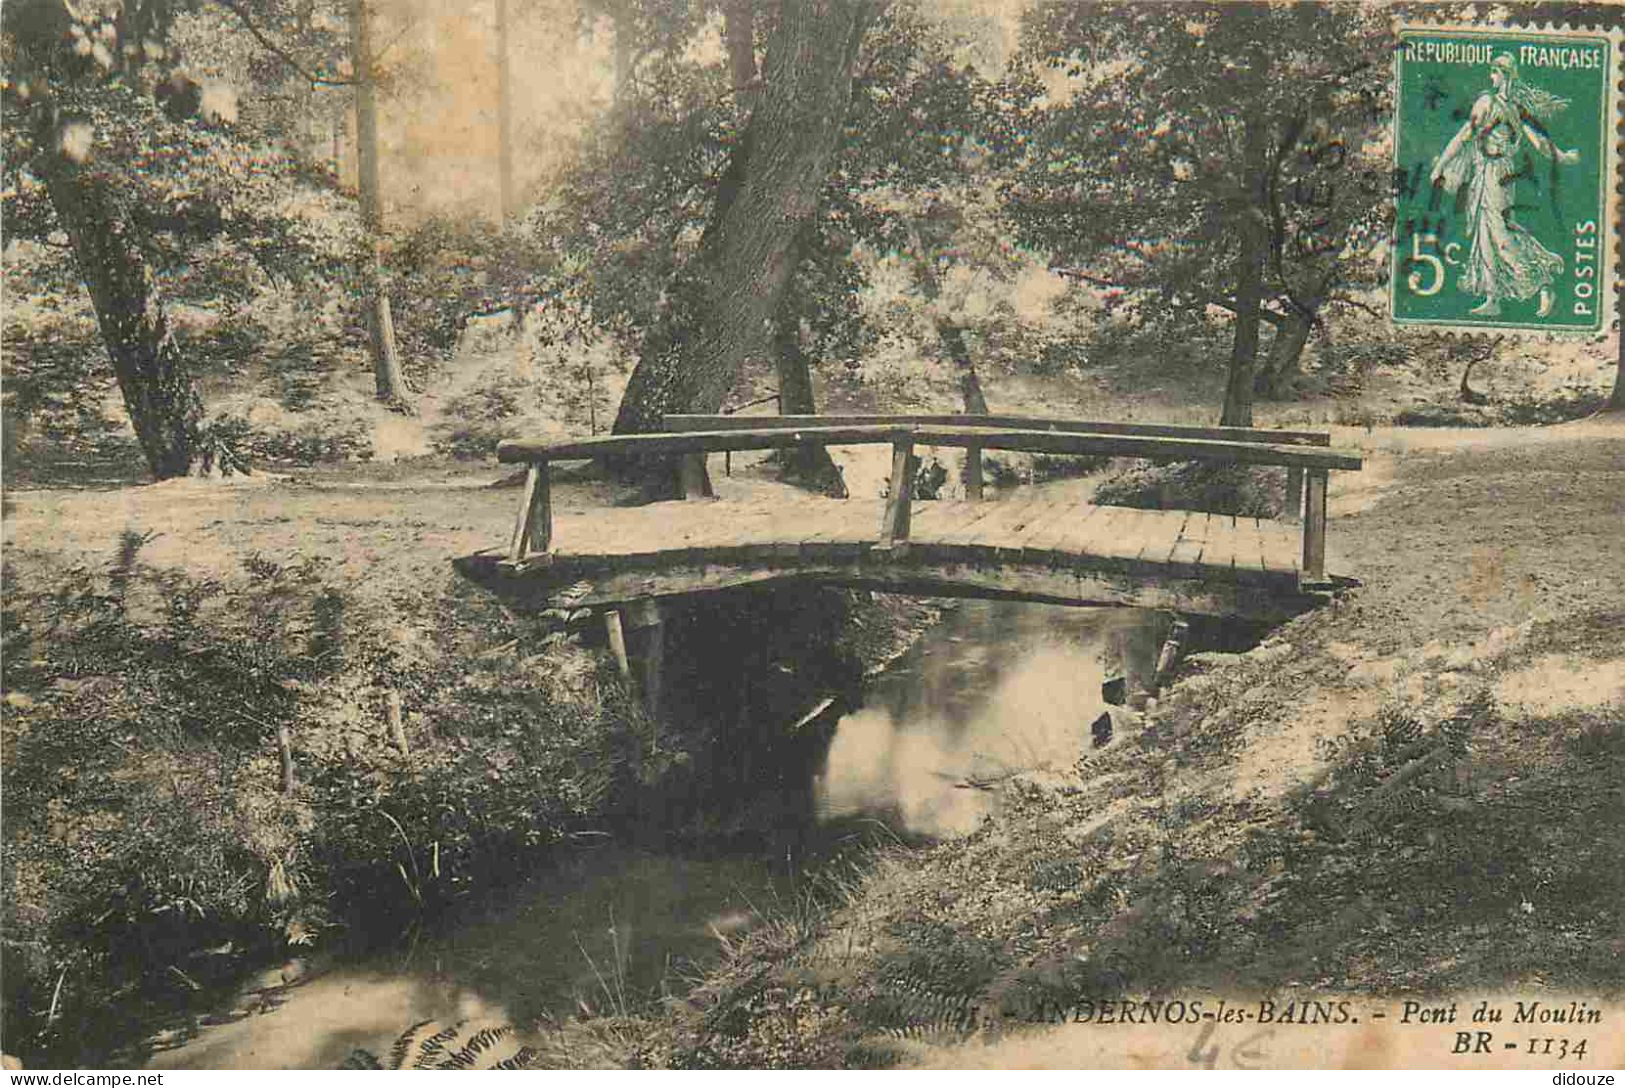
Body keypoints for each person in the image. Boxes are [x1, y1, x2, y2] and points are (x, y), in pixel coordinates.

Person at [1430, 53, 1581, 317]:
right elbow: (1539, 144)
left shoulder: (1494, 104)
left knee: (1499, 231)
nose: (1491, 77)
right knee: (1485, 231)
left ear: (1505, 75)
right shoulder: (1504, 105)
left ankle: (1542, 283)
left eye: (1495, 72)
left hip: (1497, 174)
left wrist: (1440, 166)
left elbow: (1466, 136)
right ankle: (1493, 298)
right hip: (1488, 172)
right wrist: (1564, 156)